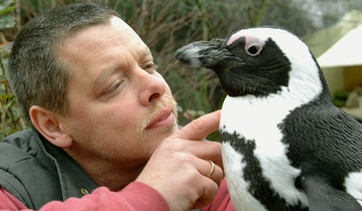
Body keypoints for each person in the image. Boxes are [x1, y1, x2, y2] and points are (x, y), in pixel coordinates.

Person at [0, 3, 234, 211]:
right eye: (115, 85)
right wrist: (151, 197)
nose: (156, 85)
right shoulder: (10, 185)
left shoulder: (211, 165)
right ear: (53, 126)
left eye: (149, 65)